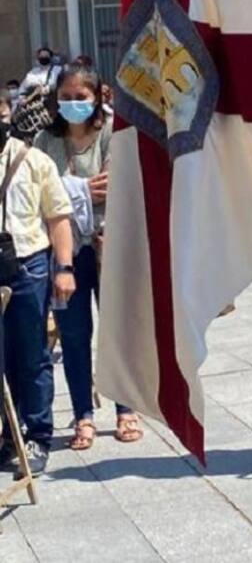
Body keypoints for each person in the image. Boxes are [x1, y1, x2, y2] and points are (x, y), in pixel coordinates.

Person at [33, 64, 141, 449]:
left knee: (118, 330)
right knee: (75, 334)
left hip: (111, 244)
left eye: (81, 97)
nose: (73, 104)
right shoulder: (45, 140)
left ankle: (126, 407)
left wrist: (67, 189)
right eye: (65, 97)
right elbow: (42, 192)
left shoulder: (112, 132)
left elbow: (116, 183)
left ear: (96, 97)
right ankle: (83, 414)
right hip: (66, 250)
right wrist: (82, 189)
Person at [0, 109, 75, 476]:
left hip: (28, 267)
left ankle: (37, 435)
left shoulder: (33, 161)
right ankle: (9, 435)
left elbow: (58, 217)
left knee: (31, 355)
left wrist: (64, 268)